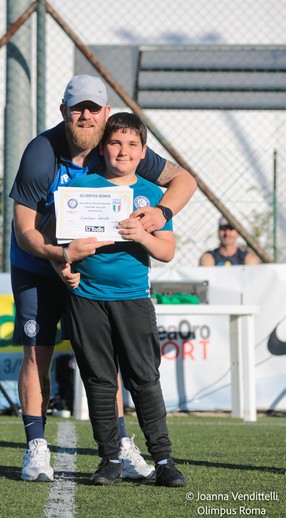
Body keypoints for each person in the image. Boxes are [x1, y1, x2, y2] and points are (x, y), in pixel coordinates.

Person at [9, 74, 197, 482]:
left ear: (105, 113)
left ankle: (119, 446)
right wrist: (60, 255)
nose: (86, 115)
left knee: (110, 367)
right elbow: (25, 230)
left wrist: (160, 215)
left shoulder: (119, 143)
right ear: (64, 112)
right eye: (78, 108)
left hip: (98, 277)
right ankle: (36, 447)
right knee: (37, 352)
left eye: (94, 108)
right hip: (39, 263)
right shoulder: (41, 153)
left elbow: (185, 179)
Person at [55, 112, 187, 487]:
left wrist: (142, 234)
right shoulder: (80, 190)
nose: (123, 151)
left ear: (143, 151)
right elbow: (57, 244)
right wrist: (63, 265)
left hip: (133, 299)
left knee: (144, 379)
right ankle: (109, 460)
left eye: (132, 144)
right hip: (87, 299)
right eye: (115, 143)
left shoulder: (151, 195)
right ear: (103, 147)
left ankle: (163, 460)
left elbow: (166, 252)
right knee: (99, 380)